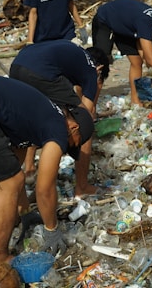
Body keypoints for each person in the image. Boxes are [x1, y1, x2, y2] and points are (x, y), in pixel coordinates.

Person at [0, 74, 94, 261]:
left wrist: (25, 211)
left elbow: (14, 162)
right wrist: (51, 229)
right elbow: (44, 189)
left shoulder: (37, 116)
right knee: (11, 182)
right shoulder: (58, 126)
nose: (65, 149)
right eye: (72, 145)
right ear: (74, 127)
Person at [9, 39, 110, 195]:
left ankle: (26, 172)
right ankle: (82, 187)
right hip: (40, 72)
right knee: (83, 127)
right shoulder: (91, 69)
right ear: (100, 69)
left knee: (32, 120)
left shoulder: (72, 55)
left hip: (17, 66)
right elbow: (86, 113)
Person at [92, 0, 152, 105]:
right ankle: (91, 104)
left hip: (126, 27)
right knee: (101, 65)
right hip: (105, 20)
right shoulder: (145, 22)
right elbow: (150, 58)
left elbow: (145, 54)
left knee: (137, 62)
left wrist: (146, 59)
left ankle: (135, 101)